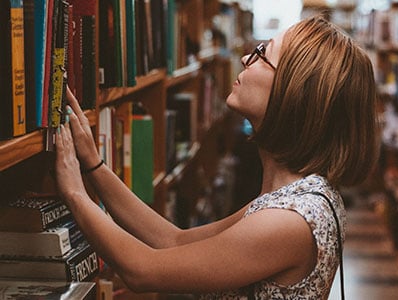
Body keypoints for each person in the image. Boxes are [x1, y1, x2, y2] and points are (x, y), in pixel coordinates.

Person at [55, 15, 379, 299]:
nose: (244, 59)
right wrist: (94, 166)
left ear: (293, 92)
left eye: (262, 54)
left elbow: (142, 271)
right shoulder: (292, 198)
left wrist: (74, 192)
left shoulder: (289, 220)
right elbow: (172, 240)